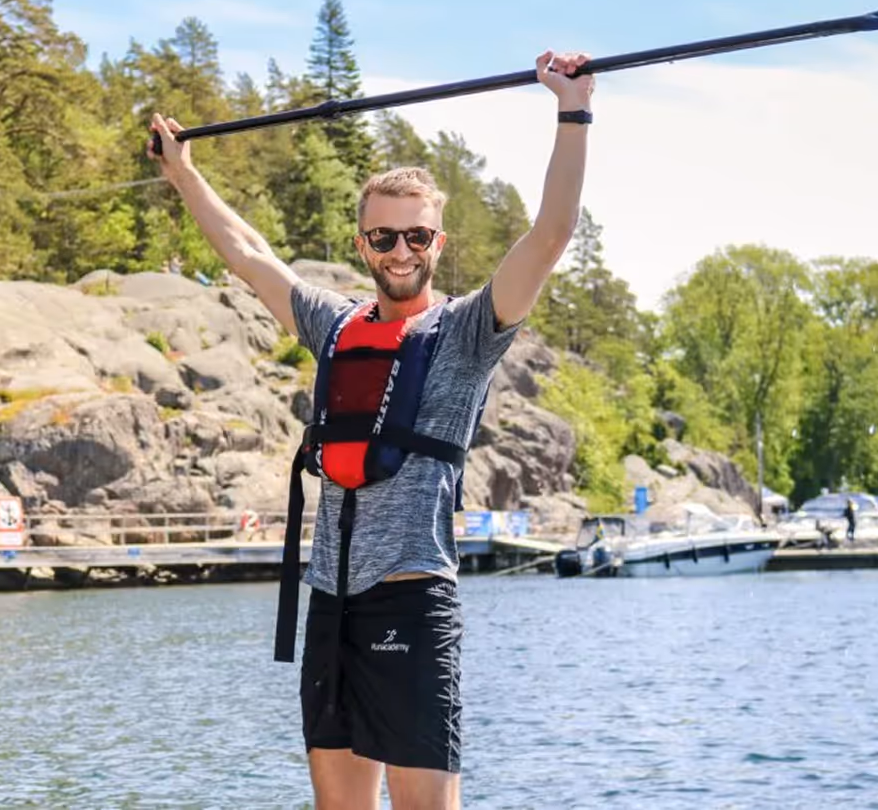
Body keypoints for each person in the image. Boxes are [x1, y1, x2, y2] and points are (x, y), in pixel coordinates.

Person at [148, 49, 594, 810]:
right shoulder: (334, 324)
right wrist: (184, 173)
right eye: (383, 238)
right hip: (333, 605)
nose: (400, 252)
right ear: (363, 245)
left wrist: (573, 111)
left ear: (437, 244)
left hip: (413, 601)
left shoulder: (467, 333)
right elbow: (249, 255)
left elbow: (550, 234)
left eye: (416, 237)